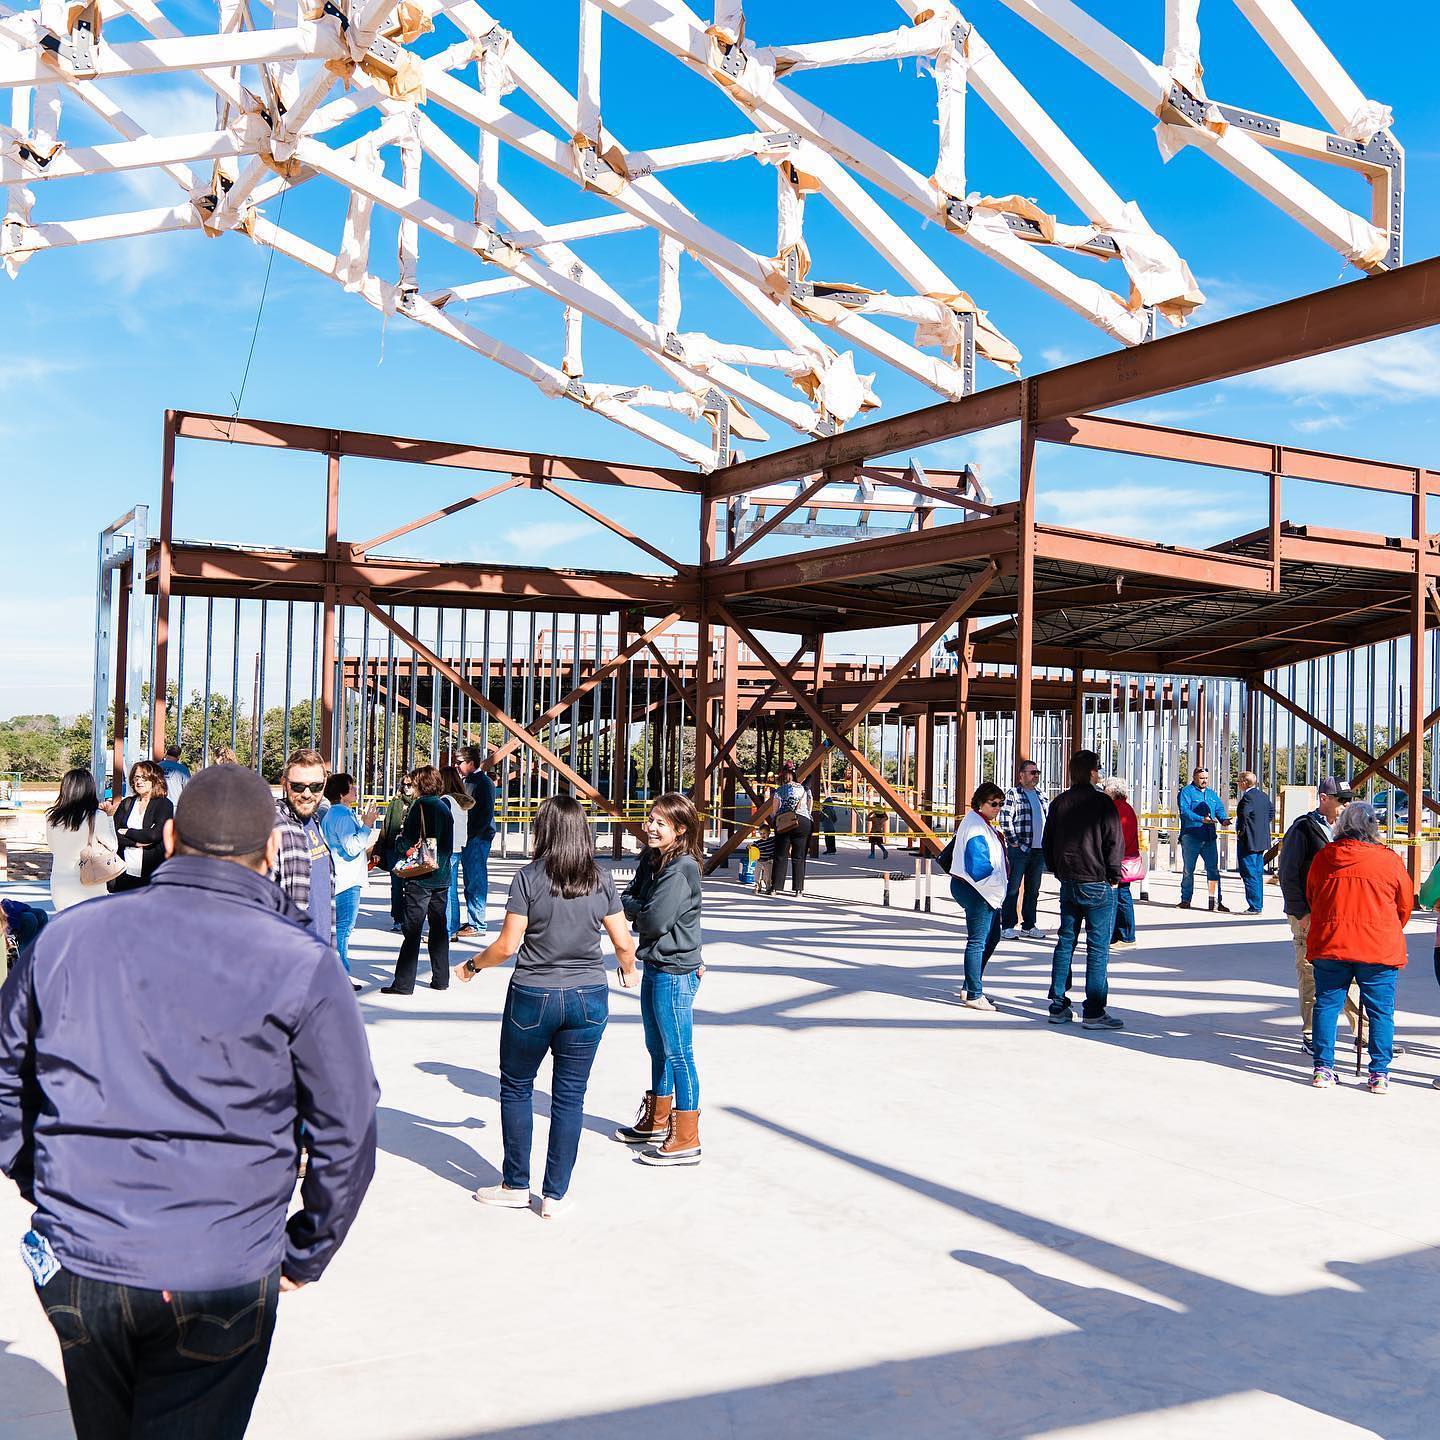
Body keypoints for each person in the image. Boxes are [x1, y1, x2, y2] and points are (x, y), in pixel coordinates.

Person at [0, 764, 378, 1440]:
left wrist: (47, 1184)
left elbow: (6, 1083)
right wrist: (305, 1251)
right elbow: (346, 1132)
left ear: (170, 837)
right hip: (221, 1263)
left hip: (84, 1255)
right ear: (269, 854)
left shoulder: (65, 939)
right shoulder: (302, 963)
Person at [454, 796, 637, 1216]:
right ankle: (554, 1195)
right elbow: (623, 941)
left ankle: (516, 1184)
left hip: (534, 996)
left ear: (545, 830)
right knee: (570, 1098)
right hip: (589, 997)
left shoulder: (528, 878)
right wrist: (626, 968)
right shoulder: (600, 879)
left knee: (516, 1086)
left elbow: (506, 946)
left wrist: (471, 966)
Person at [614, 793, 706, 1166]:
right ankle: (657, 1120)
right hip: (654, 963)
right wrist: (642, 908)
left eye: (660, 823)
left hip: (674, 971)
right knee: (658, 1048)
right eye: (650, 819)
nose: (650, 827)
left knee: (679, 1053)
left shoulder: (682, 868)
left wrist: (641, 910)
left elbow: (654, 921)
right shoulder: (654, 860)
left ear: (680, 829)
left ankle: (687, 1137)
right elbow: (627, 899)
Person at [1304, 802, 1413, 1092]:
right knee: (1381, 1012)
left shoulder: (1325, 856)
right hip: (1377, 945)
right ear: (1373, 827)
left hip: (1332, 942)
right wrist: (1388, 927)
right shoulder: (1389, 860)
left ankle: (1323, 1068)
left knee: (1326, 1005)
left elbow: (1312, 895)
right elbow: (1405, 904)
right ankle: (1379, 1074)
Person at [1044, 750, 1125, 1030]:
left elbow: (1049, 840)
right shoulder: (1102, 803)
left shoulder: (1060, 802)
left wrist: (1058, 869)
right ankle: (1093, 1011)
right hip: (1096, 881)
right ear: (1092, 772)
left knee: (1066, 941)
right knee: (1097, 948)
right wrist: (1114, 875)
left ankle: (1058, 1003)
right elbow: (1114, 841)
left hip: (1069, 881)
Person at [1278, 776, 1358, 1055]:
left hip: (1343, 915)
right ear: (1324, 799)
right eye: (1342, 801)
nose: (1346, 806)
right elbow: (1287, 873)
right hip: (1309, 915)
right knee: (1311, 973)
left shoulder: (1350, 829)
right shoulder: (1304, 829)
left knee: (1354, 973)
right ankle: (1311, 1033)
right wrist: (1300, 912)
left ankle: (1363, 1032)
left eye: (1349, 801)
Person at [383, 764, 455, 995]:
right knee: (438, 927)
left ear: (420, 784)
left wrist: (401, 844)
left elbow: (407, 840)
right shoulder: (445, 806)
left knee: (412, 931)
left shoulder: (420, 806)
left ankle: (403, 983)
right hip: (441, 874)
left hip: (420, 876)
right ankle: (441, 977)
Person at [948, 783, 1007, 1011]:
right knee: (978, 942)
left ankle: (970, 985)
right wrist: (995, 887)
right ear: (981, 802)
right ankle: (973, 993)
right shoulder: (975, 826)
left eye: (1000, 804)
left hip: (984, 892)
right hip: (980, 892)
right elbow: (978, 867)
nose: (997, 808)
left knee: (991, 938)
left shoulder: (980, 823)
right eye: (993, 803)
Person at [272, 747, 335, 947]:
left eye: (315, 786)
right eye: (298, 787)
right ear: (284, 784)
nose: (307, 794)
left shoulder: (313, 821)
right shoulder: (271, 824)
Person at [320, 772, 379, 985]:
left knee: (340, 929)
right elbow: (353, 846)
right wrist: (367, 825)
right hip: (347, 879)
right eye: (352, 787)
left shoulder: (334, 815)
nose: (355, 790)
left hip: (340, 875)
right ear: (343, 793)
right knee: (344, 929)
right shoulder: (342, 816)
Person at [44, 768, 119, 912]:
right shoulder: (97, 816)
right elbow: (113, 846)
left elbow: (53, 847)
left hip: (60, 883)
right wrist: (109, 817)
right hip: (90, 881)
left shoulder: (51, 816)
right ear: (89, 789)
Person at [997, 758, 1050, 940]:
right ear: (1021, 775)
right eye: (1032, 772)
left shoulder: (1042, 794)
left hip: (1038, 850)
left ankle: (1029, 925)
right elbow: (1005, 819)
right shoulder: (1013, 794)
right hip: (1020, 850)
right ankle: (1008, 925)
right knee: (1013, 888)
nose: (1036, 776)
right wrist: (1014, 842)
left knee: (1033, 890)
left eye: (1037, 773)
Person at [108, 760, 174, 893]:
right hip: (123, 872)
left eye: (144, 778)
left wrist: (127, 831)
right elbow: (113, 835)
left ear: (155, 779)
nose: (139, 781)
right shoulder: (127, 803)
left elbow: (154, 835)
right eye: (137, 777)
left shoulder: (163, 804)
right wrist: (138, 842)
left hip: (152, 873)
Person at [455, 744, 497, 938]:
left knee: (476, 880)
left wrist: (471, 835)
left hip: (477, 838)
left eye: (459, 762)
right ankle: (474, 920)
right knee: (471, 880)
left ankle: (478, 924)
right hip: (471, 837)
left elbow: (484, 814)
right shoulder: (469, 781)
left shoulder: (482, 783)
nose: (456, 765)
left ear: (471, 763)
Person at [1177, 764, 1231, 911]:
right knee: (1189, 869)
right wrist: (1201, 819)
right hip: (1191, 836)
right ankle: (1185, 900)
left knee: (1213, 870)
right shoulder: (1186, 792)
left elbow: (1219, 809)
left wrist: (1224, 819)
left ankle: (1215, 901)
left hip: (1209, 838)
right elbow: (1184, 811)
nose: (1204, 781)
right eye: (1201, 778)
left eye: (1206, 778)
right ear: (1194, 777)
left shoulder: (1212, 794)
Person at [1104, 778, 1142, 949]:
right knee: (1122, 896)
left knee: (1121, 897)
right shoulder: (1125, 807)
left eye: (1105, 788)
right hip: (1124, 857)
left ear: (1112, 791)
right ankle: (1123, 935)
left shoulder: (1119, 809)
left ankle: (1125, 936)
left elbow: (1120, 837)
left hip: (1120, 858)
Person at [441, 765, 476, 940]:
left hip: (447, 849)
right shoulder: (462, 802)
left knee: (446, 892)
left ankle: (447, 931)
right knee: (452, 891)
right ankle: (453, 928)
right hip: (458, 847)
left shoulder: (446, 800)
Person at [378, 772, 415, 933]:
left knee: (411, 885)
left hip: (410, 849)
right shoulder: (396, 803)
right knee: (396, 885)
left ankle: (410, 917)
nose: (406, 788)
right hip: (394, 848)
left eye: (410, 785)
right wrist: (379, 849)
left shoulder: (419, 803)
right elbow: (386, 827)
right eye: (404, 785)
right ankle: (398, 918)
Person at [769, 763, 813, 897]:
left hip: (785, 822)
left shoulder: (779, 790)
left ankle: (776, 887)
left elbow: (774, 811)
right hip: (803, 821)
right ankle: (798, 889)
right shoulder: (804, 789)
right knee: (799, 856)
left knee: (781, 855)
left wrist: (774, 819)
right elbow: (809, 805)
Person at [1235, 770, 1274, 914]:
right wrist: (1261, 825)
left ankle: (1255, 906)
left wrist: (1241, 831)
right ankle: (1258, 903)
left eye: (1239, 782)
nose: (1238, 785)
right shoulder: (1263, 796)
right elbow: (1271, 811)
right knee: (1257, 872)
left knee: (1249, 872)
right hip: (1261, 839)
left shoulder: (1247, 798)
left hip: (1249, 841)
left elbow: (1244, 816)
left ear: (1245, 783)